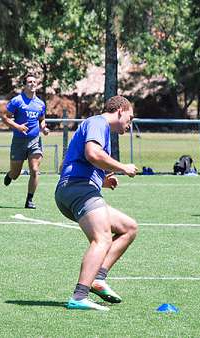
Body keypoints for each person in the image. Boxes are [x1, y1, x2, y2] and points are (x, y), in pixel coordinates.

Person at [55, 95, 138, 311]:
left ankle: (98, 279)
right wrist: (122, 167)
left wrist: (103, 179)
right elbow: (92, 153)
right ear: (120, 110)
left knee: (128, 228)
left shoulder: (102, 130)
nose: (130, 124)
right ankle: (79, 295)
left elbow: (83, 159)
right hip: (77, 188)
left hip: (79, 188)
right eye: (130, 117)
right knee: (102, 239)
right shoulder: (98, 123)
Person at [1, 73, 49, 209]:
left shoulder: (40, 103)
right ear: (24, 85)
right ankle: (10, 174)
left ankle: (29, 200)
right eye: (29, 82)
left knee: (34, 170)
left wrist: (43, 128)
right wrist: (18, 127)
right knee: (16, 174)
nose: (32, 84)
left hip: (34, 140)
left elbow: (42, 119)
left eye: (34, 82)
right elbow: (4, 117)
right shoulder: (17, 101)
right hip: (19, 141)